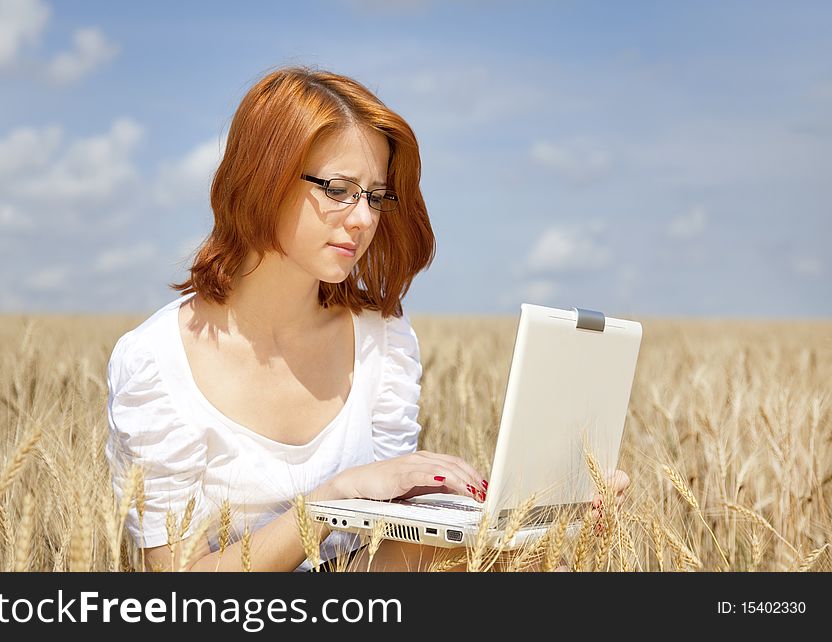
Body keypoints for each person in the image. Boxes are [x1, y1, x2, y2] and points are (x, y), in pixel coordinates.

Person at [104, 65, 629, 573]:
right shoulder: (157, 362)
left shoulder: (383, 342)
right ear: (264, 178)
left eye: (376, 197)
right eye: (338, 189)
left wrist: (525, 517)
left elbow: (388, 531)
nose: (363, 218)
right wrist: (330, 499)